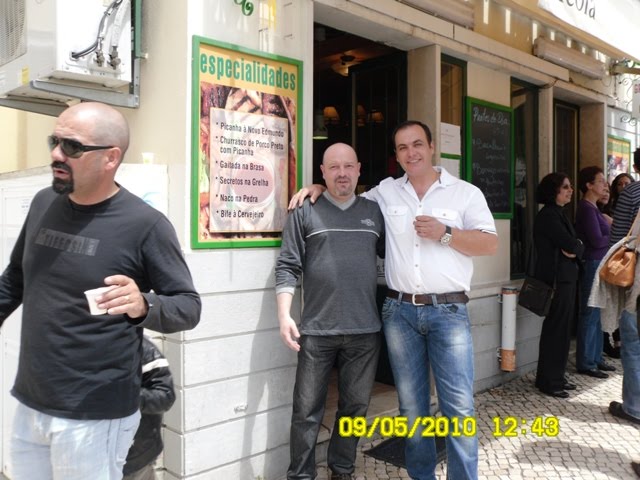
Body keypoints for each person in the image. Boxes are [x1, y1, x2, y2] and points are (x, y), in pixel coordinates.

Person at [0, 102, 201, 480]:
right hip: (31, 401)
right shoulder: (44, 202)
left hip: (94, 415)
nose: (56, 154)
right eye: (55, 141)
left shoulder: (145, 225)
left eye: (72, 147)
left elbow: (188, 307)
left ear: (111, 157)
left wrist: (144, 304)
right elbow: (15, 279)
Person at [290, 121, 498, 480]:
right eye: (402, 147)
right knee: (411, 409)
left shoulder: (465, 193)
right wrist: (319, 187)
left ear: (431, 147)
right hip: (399, 313)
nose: (410, 153)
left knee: (459, 408)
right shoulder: (385, 192)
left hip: (448, 311)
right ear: (396, 155)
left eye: (417, 144)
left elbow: (490, 244)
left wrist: (446, 234)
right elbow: (345, 196)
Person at [275, 143, 384, 480]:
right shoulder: (305, 210)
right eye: (333, 167)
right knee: (306, 411)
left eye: (348, 166)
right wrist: (284, 315)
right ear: (322, 172)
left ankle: (342, 470)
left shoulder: (375, 211)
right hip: (316, 331)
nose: (342, 173)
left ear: (359, 169)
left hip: (365, 330)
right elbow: (287, 265)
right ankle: (301, 475)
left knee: (355, 409)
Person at [532, 173, 584, 398]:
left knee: (561, 330)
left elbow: (576, 246)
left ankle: (554, 376)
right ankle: (550, 381)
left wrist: (576, 246)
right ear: (553, 191)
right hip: (557, 281)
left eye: (570, 187)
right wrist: (575, 246)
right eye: (565, 187)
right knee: (557, 330)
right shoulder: (549, 216)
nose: (570, 190)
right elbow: (571, 244)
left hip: (564, 279)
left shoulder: (557, 214)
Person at [602, 147, 640, 425]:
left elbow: (618, 239)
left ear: (636, 168)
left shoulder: (631, 193)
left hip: (637, 285)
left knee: (633, 343)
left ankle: (634, 407)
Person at [574, 167, 614, 379]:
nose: (605, 185)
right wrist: (614, 232)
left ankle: (596, 357)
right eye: (600, 181)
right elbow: (597, 240)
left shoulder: (595, 209)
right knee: (590, 312)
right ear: (589, 185)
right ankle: (586, 361)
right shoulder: (587, 209)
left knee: (597, 313)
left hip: (600, 263)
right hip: (592, 263)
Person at [123, 336, 176, 480]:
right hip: (89, 456)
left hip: (135, 457)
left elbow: (165, 396)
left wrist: (128, 397)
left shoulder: (142, 348)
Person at [602, 173, 634, 358]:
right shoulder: (613, 204)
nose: (623, 186)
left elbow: (617, 238)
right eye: (619, 184)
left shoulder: (630, 196)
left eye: (626, 183)